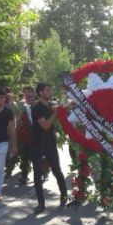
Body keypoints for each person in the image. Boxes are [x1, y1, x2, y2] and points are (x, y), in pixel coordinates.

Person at [30, 83, 68, 214]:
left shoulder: (51, 105)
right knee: (37, 175)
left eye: (50, 89)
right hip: (37, 145)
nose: (50, 91)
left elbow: (63, 105)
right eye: (48, 90)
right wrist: (55, 114)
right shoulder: (37, 108)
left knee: (57, 171)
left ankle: (64, 196)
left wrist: (64, 92)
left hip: (50, 144)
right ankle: (41, 204)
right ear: (41, 93)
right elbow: (45, 125)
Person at [6, 86, 34, 184]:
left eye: (29, 92)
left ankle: (41, 172)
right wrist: (11, 100)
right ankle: (14, 172)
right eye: (25, 92)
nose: (27, 93)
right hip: (21, 133)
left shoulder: (36, 103)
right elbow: (15, 113)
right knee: (18, 154)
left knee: (34, 156)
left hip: (34, 134)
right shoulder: (21, 104)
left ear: (32, 92)